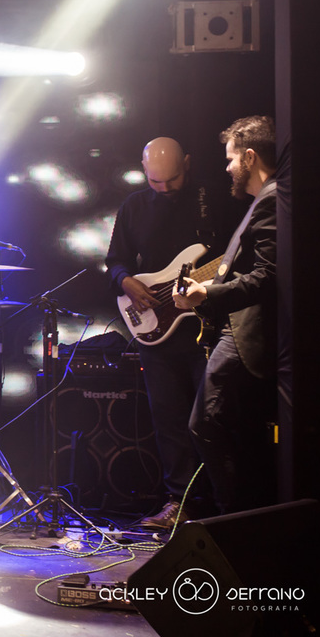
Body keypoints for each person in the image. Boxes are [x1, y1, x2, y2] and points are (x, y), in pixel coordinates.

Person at [105, 137, 226, 530]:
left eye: (172, 179)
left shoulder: (214, 199)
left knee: (213, 420)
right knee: (169, 420)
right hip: (158, 331)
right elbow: (115, 260)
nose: (165, 188)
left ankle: (226, 504)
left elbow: (234, 259)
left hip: (206, 327)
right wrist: (126, 281)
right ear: (144, 170)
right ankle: (179, 502)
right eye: (155, 181)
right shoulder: (134, 206)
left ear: (187, 163)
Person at [174, 115, 277, 515]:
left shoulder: (271, 199)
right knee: (233, 431)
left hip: (244, 335)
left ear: (250, 157)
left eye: (232, 158)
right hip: (234, 329)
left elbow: (268, 277)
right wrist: (204, 293)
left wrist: (208, 294)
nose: (228, 167)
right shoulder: (263, 201)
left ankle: (232, 522)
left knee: (205, 424)